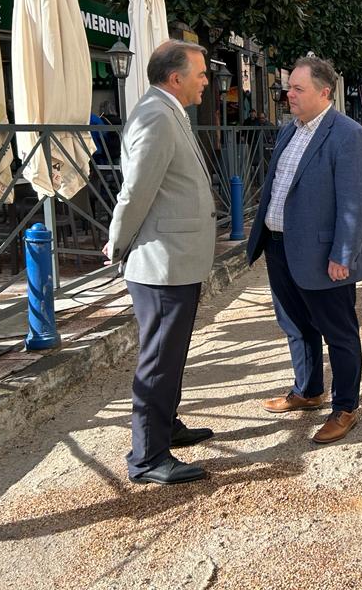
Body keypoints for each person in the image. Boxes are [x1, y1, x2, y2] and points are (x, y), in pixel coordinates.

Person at [247, 56, 362, 444]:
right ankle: (308, 391)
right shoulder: (291, 130)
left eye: (298, 89)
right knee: (295, 325)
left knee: (338, 333)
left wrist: (343, 254)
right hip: (279, 247)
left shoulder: (348, 135)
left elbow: (355, 203)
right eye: (289, 87)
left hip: (323, 256)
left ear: (324, 92)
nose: (289, 94)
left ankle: (345, 407)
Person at [105, 40, 217, 486]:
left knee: (171, 355)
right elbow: (136, 192)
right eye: (201, 73)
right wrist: (117, 244)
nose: (207, 80)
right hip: (161, 264)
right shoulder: (155, 115)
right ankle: (148, 457)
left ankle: (166, 426)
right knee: (158, 360)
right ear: (176, 78)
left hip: (177, 261)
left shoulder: (170, 110)